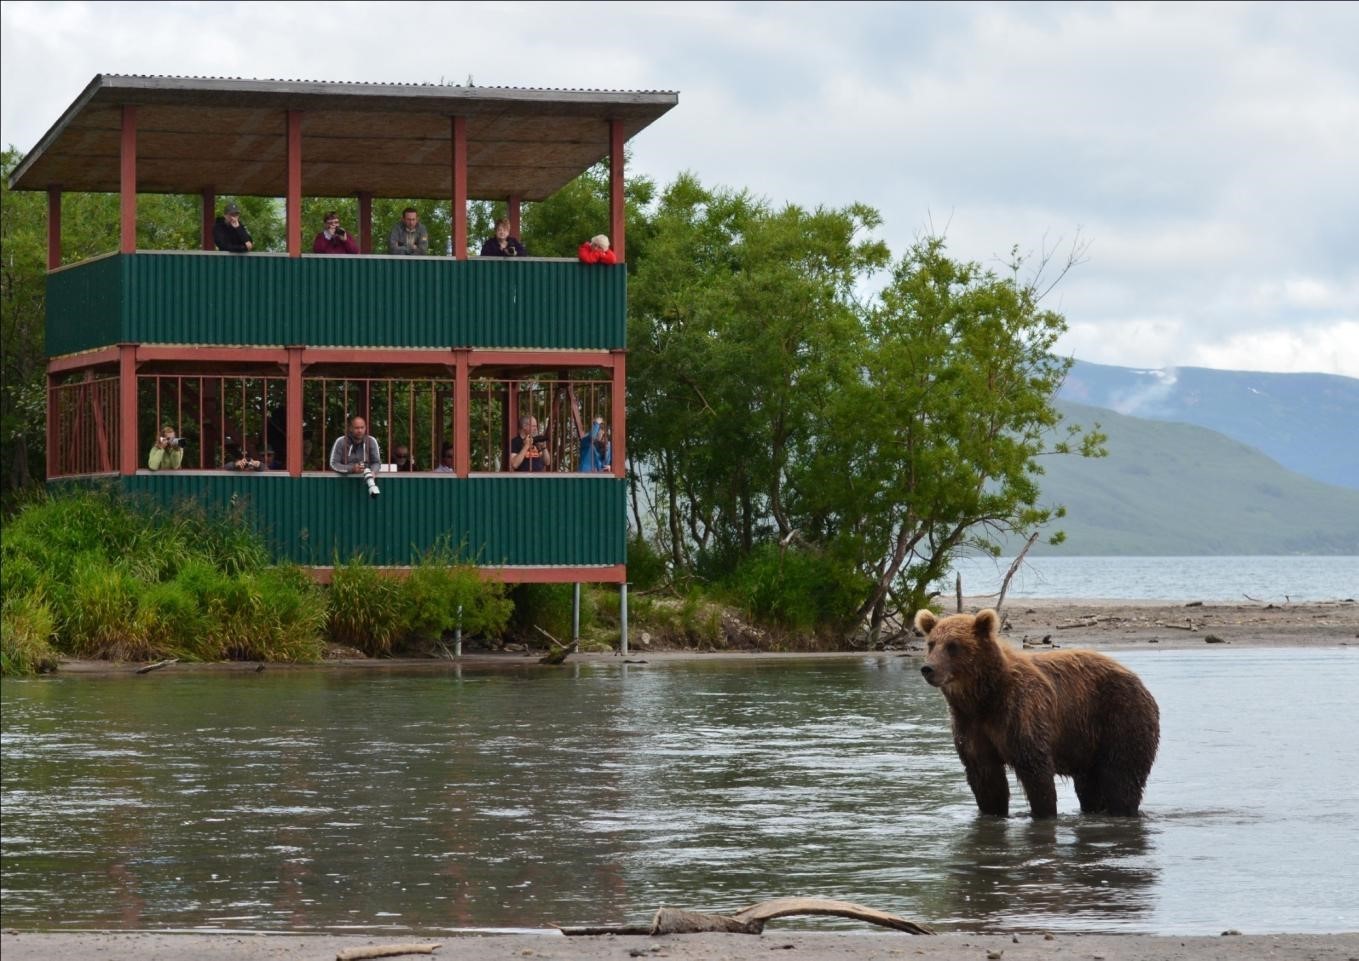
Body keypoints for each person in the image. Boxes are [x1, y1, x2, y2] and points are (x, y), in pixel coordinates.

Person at [329, 416, 383, 498]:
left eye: (362, 427)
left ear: (366, 428)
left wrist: (373, 472)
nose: (360, 430)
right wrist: (352, 469)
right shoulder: (341, 441)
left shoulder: (371, 441)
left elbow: (377, 462)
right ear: (350, 428)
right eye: (356, 428)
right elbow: (333, 464)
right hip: (342, 487)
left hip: (365, 486)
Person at [566, 385, 611, 472]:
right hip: (584, 475)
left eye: (601, 430)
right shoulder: (586, 440)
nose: (599, 432)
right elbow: (592, 437)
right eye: (597, 429)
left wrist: (609, 467)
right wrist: (597, 424)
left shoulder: (605, 446)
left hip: (597, 478)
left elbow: (603, 464)